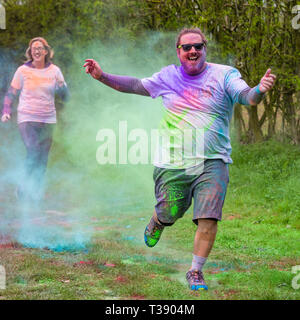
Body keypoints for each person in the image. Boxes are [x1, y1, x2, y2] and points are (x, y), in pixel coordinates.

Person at [83, 28, 276, 291]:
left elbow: (246, 96)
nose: (193, 51)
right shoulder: (168, 76)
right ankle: (158, 220)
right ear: (179, 51)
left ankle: (195, 271)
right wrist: (102, 76)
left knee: (209, 217)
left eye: (198, 46)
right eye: (187, 47)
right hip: (173, 162)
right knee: (170, 210)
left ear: (205, 49)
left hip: (213, 161)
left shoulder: (224, 74)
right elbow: (136, 85)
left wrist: (260, 91)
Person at [1, 37, 69, 201]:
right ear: (30, 52)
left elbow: (65, 96)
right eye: (33, 48)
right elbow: (11, 92)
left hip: (48, 119)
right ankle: (24, 186)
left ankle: (35, 191)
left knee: (43, 159)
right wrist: (6, 110)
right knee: (33, 151)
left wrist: (62, 89)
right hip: (27, 117)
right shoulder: (22, 71)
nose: (36, 51)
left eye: (39, 48)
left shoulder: (55, 71)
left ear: (46, 51)